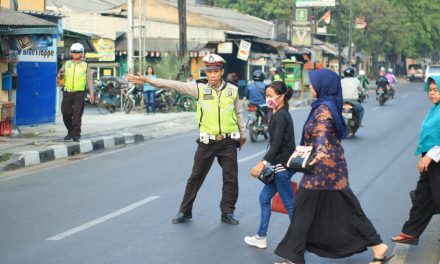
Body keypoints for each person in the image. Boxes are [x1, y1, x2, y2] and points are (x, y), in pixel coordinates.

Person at [274, 69, 393, 264]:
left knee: (303, 209)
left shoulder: (324, 109)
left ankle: (294, 256)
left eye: (313, 83)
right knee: (347, 209)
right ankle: (378, 245)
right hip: (330, 169)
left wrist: (317, 155)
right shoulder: (326, 104)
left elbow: (322, 133)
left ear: (323, 85)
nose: (310, 86)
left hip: (322, 169)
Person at [126, 54, 246, 225]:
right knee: (195, 177)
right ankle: (185, 211)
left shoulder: (232, 90)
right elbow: (175, 84)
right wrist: (148, 80)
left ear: (221, 72)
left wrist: (243, 135)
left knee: (231, 178)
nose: (212, 75)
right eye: (209, 71)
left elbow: (238, 113)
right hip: (207, 142)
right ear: (206, 72)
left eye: (216, 71)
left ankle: (227, 212)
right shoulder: (199, 88)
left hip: (228, 141)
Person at [244, 81, 296, 249]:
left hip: (282, 166)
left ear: (281, 97)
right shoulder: (278, 113)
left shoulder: (281, 116)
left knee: (289, 204)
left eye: (271, 96)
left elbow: (276, 145)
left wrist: (262, 163)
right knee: (264, 198)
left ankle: (300, 239)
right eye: (266, 96)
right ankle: (261, 236)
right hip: (280, 165)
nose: (268, 99)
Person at [391, 76, 440, 245]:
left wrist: (428, 156)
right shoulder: (435, 109)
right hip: (432, 159)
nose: (431, 93)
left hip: (435, 158)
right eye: (430, 90)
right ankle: (410, 233)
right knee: (422, 196)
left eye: (436, 90)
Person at [57, 43, 94, 142]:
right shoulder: (67, 64)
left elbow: (89, 80)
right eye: (74, 52)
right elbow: (59, 76)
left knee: (77, 115)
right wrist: (60, 76)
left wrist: (92, 94)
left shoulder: (86, 65)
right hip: (67, 92)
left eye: (78, 52)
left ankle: (76, 135)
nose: (76, 54)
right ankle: (70, 131)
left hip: (79, 93)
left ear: (82, 54)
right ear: (71, 53)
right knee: (66, 113)